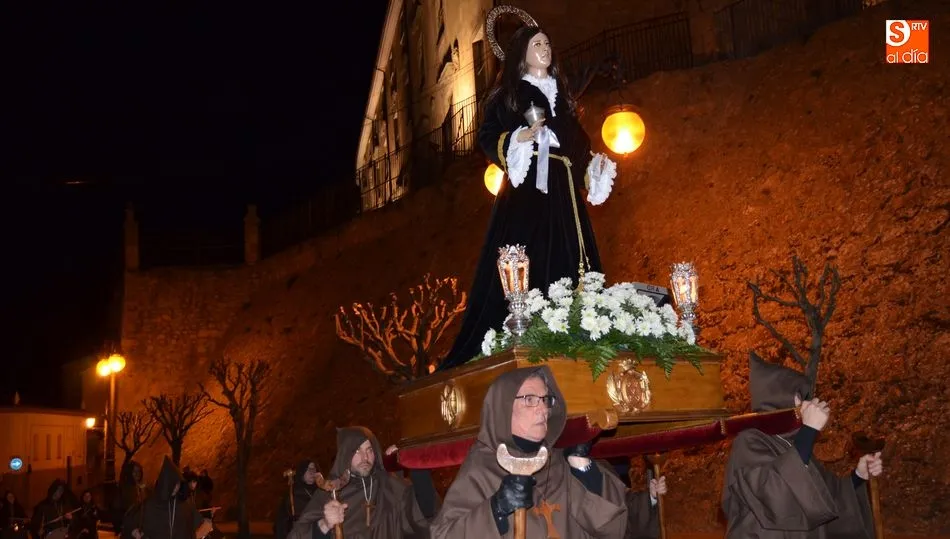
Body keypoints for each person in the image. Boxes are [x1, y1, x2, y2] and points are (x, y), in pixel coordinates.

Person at [439, 12, 617, 371]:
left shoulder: (561, 100)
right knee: (531, 254)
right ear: (522, 53)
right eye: (537, 43)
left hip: (565, 194)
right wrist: (519, 138)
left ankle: (578, 331)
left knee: (572, 256)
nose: (545, 48)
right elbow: (487, 136)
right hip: (529, 192)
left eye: (547, 43)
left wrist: (593, 169)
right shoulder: (510, 95)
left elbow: (577, 149)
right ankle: (527, 328)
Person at [431, 366, 660, 538]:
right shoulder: (482, 468)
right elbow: (444, 534)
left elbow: (615, 528)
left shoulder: (559, 463)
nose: (542, 409)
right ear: (503, 408)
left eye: (545, 399)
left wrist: (584, 470)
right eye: (530, 399)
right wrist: (496, 509)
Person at [722, 352, 884, 538]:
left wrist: (859, 475)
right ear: (779, 400)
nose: (804, 404)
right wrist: (808, 431)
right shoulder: (749, 441)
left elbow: (825, 498)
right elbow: (773, 494)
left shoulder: (794, 447)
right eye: (799, 397)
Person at [289, 427, 440, 538]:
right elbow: (298, 535)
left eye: (369, 450)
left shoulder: (391, 487)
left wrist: (415, 462)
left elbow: (425, 514)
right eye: (357, 451)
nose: (365, 458)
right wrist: (324, 524)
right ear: (345, 454)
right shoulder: (330, 492)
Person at [121, 456, 213, 539]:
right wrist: (134, 531)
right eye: (173, 483)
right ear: (165, 482)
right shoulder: (150, 505)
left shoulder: (185, 505)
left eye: (178, 484)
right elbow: (129, 522)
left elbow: (201, 524)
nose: (176, 487)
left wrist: (204, 526)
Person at [273, 460, 319, 539]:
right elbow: (281, 523)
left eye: (314, 469)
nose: (312, 472)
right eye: (308, 469)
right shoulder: (292, 494)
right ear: (302, 473)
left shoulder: (320, 493)